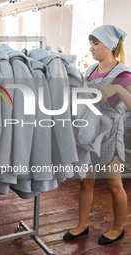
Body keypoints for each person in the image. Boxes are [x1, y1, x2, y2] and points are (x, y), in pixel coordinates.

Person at [63, 25, 131, 245]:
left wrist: (119, 90)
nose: (90, 48)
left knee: (113, 184)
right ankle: (82, 225)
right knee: (86, 181)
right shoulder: (91, 70)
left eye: (95, 43)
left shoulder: (123, 74)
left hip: (111, 134)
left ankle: (118, 228)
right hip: (89, 131)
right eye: (90, 43)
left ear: (109, 45)